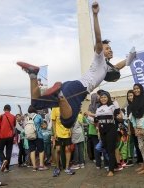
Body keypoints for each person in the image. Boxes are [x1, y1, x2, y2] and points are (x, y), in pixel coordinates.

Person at [16, 1, 136, 129]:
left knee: (36, 104)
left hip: (70, 85)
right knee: (67, 122)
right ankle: (59, 95)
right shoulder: (99, 58)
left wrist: (130, 58)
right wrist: (95, 16)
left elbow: (118, 66)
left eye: (111, 48)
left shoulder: (106, 67)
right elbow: (98, 37)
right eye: (107, 48)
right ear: (100, 49)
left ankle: (33, 74)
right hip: (78, 89)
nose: (110, 50)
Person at [95, 91, 121, 177]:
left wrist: (116, 103)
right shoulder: (98, 108)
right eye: (101, 97)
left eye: (105, 97)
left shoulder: (112, 106)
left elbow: (118, 113)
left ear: (108, 97)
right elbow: (96, 120)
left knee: (110, 149)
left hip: (111, 129)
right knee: (105, 149)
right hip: (102, 130)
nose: (103, 99)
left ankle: (111, 170)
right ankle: (115, 165)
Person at [51, 107, 75, 177]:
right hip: (58, 133)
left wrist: (70, 129)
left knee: (68, 150)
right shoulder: (54, 108)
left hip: (67, 132)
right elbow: (53, 121)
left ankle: (67, 168)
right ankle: (57, 167)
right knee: (58, 150)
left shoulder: (68, 106)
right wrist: (54, 133)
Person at [25, 105, 48, 172]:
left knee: (32, 151)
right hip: (38, 136)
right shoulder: (38, 116)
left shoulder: (27, 117)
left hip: (30, 136)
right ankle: (41, 165)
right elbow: (43, 125)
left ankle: (34, 166)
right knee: (41, 150)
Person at [0, 104, 16, 172]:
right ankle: (7, 168)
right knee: (9, 152)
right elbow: (14, 127)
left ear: (4, 109)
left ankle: (3, 160)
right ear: (10, 109)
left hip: (2, 136)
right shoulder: (13, 117)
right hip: (10, 137)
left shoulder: (0, 116)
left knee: (0, 151)